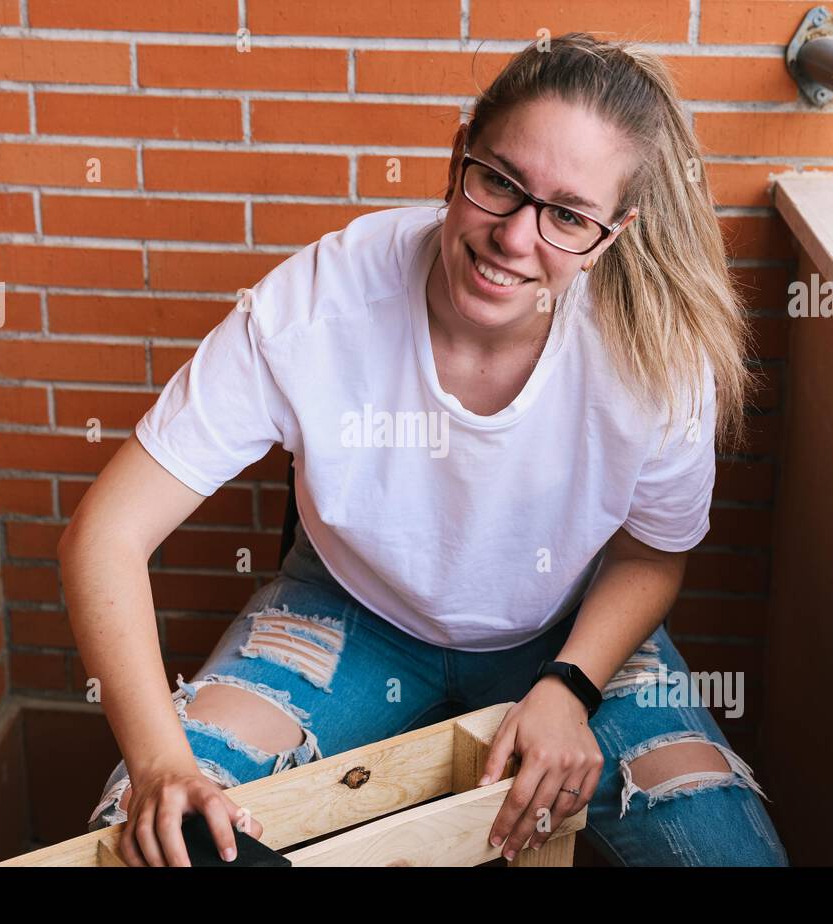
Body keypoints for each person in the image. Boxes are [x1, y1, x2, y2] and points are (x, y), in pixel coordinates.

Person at [59, 32, 790, 867]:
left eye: (567, 215)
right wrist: (159, 766)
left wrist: (571, 684)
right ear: (458, 159)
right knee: (158, 841)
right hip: (350, 613)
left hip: (567, 631)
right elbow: (105, 535)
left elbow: (652, 556)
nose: (516, 239)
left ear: (614, 231)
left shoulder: (658, 351)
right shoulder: (321, 302)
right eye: (500, 183)